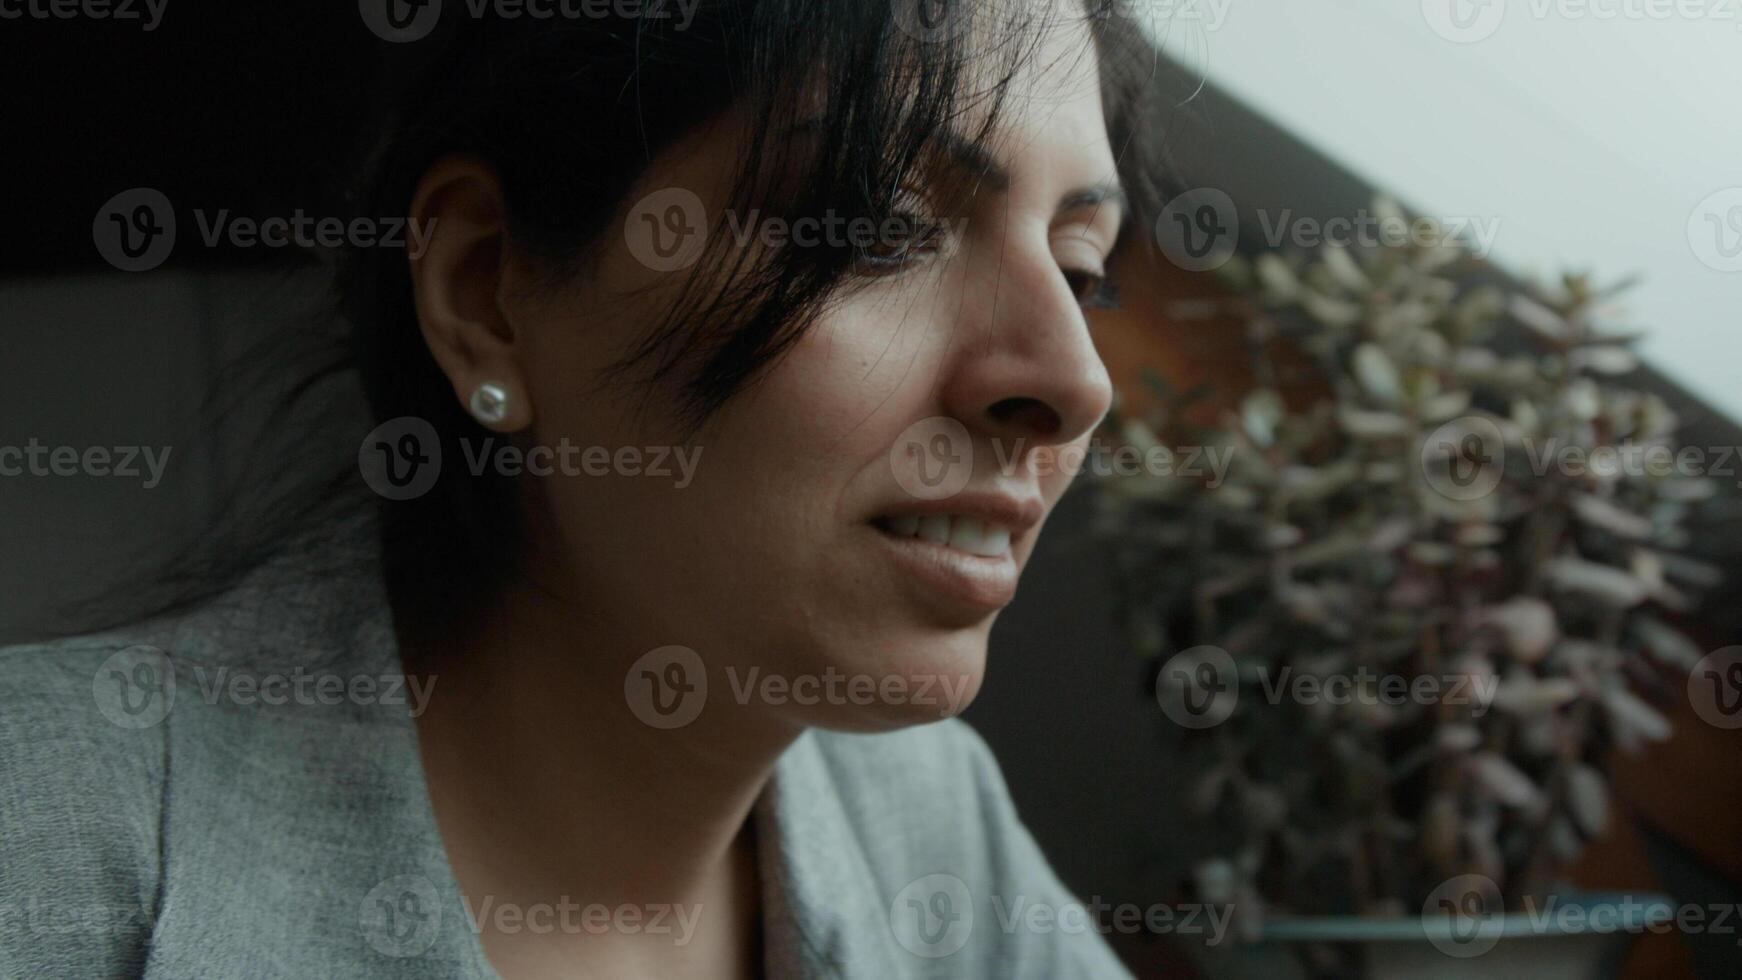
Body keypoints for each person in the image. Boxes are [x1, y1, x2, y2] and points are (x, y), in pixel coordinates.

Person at [0, 1, 1164, 975]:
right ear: (486, 292)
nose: (1071, 381)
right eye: (880, 225)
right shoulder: (42, 846)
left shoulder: (930, 832)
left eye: (1080, 269)